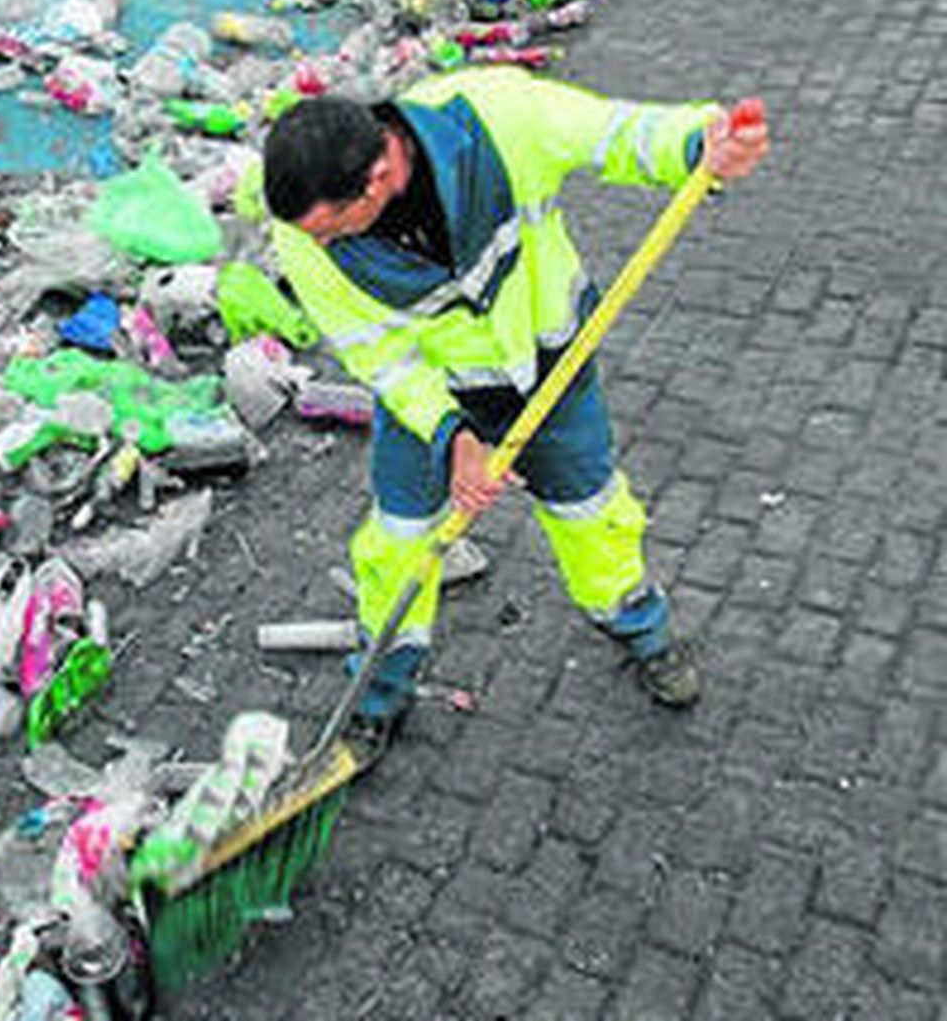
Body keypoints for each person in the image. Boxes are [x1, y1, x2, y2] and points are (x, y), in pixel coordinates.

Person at [253, 66, 769, 744]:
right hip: (435, 399)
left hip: (551, 371)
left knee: (592, 513)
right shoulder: (302, 231)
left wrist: (700, 144)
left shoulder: (494, 115)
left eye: (332, 228)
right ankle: (379, 689)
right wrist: (455, 436)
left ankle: (640, 626)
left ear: (379, 176)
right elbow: (378, 355)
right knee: (399, 541)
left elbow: (615, 132)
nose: (317, 244)